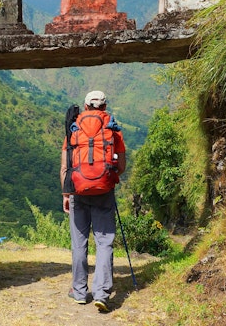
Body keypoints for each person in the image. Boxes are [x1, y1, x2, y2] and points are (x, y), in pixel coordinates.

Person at [60, 90, 126, 312]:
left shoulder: (73, 128)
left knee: (79, 243)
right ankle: (102, 294)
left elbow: (66, 166)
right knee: (104, 242)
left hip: (77, 191)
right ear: (104, 107)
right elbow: (122, 166)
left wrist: (66, 194)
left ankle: (79, 292)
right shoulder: (113, 130)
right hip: (104, 192)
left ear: (86, 107)